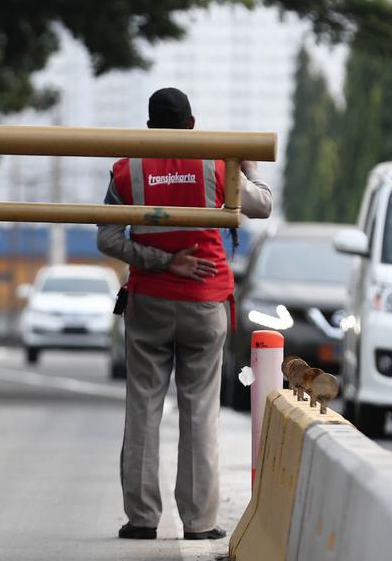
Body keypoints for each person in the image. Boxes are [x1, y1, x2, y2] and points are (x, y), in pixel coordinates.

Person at [97, 87, 273, 541]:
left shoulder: (128, 168)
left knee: (143, 407)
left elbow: (108, 239)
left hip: (149, 303)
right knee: (199, 412)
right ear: (192, 125)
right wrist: (248, 168)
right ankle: (199, 523)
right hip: (205, 302)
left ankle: (141, 519)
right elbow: (263, 206)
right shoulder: (217, 164)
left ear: (151, 128)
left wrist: (158, 261)